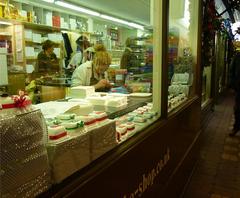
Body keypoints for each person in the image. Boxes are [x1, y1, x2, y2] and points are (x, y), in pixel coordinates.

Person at [229, 48, 240, 136]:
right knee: (237, 109)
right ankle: (236, 127)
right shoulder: (237, 56)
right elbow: (231, 71)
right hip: (239, 87)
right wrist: (233, 85)